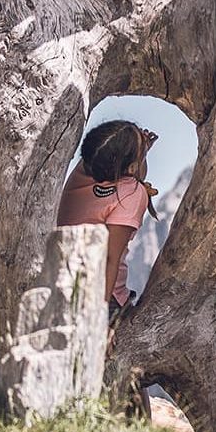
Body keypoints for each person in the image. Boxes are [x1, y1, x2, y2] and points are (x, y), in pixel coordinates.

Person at [56, 120, 159, 309]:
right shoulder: (132, 193)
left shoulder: (89, 164)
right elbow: (109, 260)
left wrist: (139, 154)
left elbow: (128, 176)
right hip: (99, 294)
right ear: (130, 168)